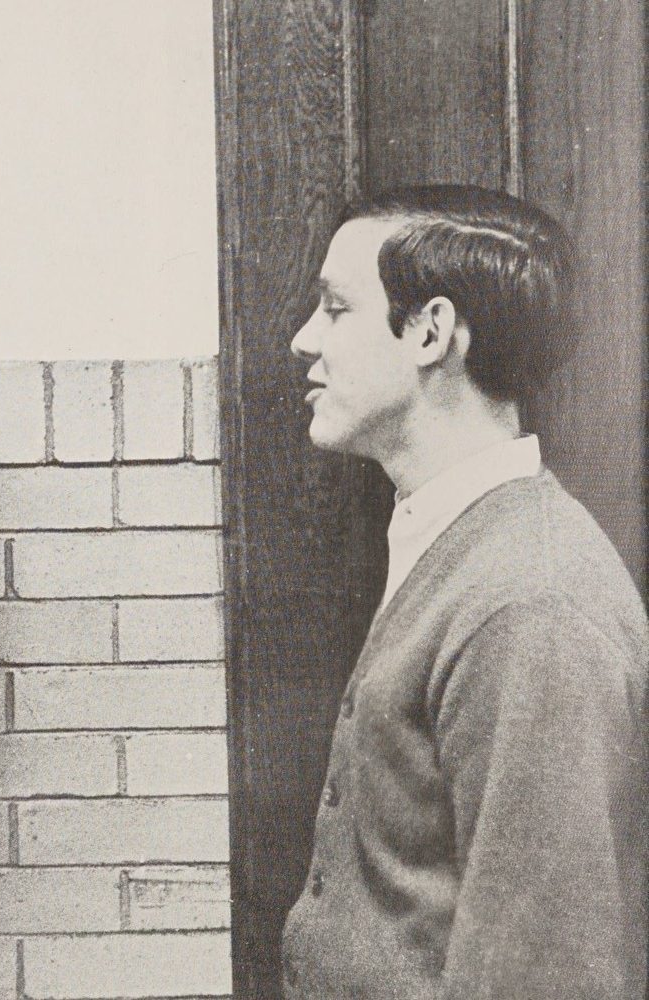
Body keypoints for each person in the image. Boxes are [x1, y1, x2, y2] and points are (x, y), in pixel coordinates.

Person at [281, 185, 647, 999]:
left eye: (336, 309)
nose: (305, 340)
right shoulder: (460, 539)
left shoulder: (532, 601)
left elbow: (546, 972)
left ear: (430, 331)